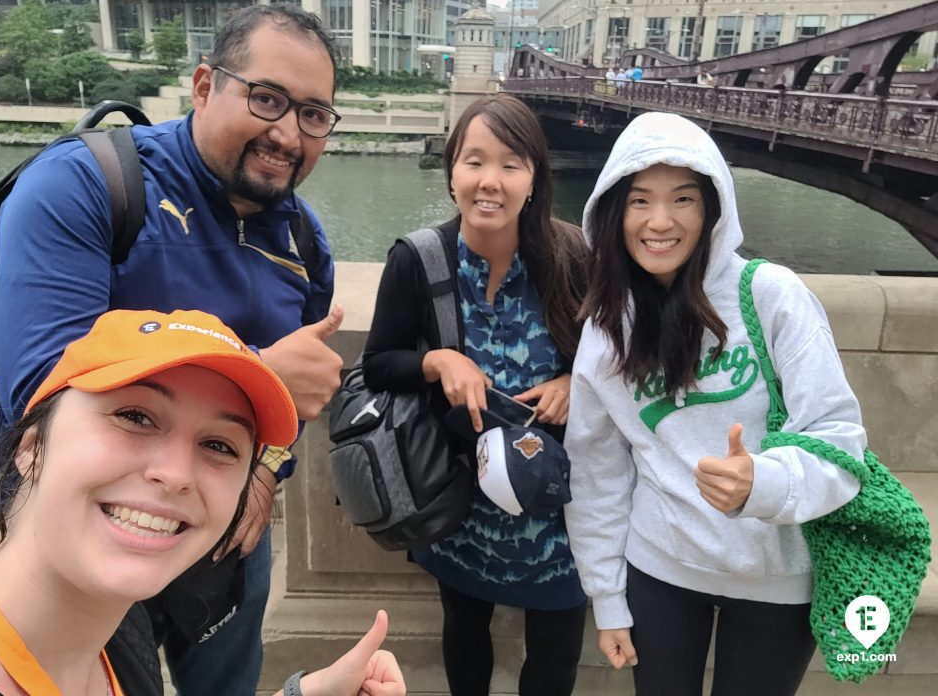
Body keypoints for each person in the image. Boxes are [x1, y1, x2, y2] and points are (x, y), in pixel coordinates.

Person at [0, 2, 345, 696]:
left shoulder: (302, 237)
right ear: (205, 86)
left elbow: (295, 395)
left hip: (225, 525)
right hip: (85, 523)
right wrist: (258, 371)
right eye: (267, 99)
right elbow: (42, 390)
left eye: (313, 115)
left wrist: (266, 465)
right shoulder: (83, 186)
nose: (288, 134)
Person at [0, 309, 405, 696]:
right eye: (134, 416)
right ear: (30, 448)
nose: (174, 475)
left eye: (219, 446)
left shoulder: (115, 623)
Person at [564, 112, 866, 696]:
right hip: (660, 571)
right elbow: (597, 473)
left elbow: (839, 439)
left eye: (683, 199)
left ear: (712, 209)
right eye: (639, 200)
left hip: (778, 577)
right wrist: (607, 599)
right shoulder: (605, 333)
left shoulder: (771, 295)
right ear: (612, 211)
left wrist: (765, 483)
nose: (660, 221)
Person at [362, 94, 590, 696]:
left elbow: (620, 361)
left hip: (561, 513)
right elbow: (379, 365)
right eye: (473, 162)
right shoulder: (419, 260)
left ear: (535, 179)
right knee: (465, 634)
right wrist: (438, 360)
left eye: (511, 164)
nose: (490, 182)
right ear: (452, 172)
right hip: (461, 500)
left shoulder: (573, 258)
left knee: (557, 654)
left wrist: (576, 383)